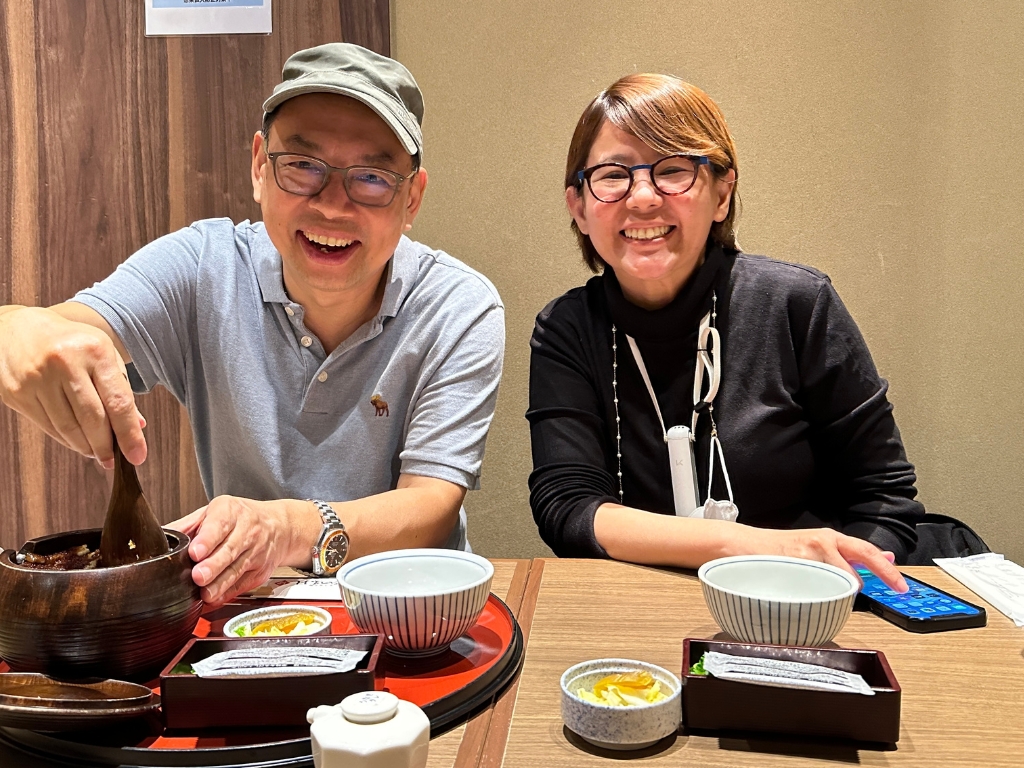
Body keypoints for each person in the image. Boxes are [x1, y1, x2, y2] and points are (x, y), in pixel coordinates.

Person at [0, 44, 504, 604]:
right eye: (303, 166)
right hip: (246, 611)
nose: (333, 206)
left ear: (412, 198)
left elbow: (430, 506)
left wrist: (286, 528)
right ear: (260, 166)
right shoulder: (203, 267)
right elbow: (63, 326)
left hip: (413, 610)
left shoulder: (457, 305)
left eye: (372, 177)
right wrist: (17, 332)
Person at [527, 73, 922, 591]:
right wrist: (764, 546)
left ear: (721, 193)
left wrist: (823, 592)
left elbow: (884, 499)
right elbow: (569, 508)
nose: (642, 198)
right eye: (612, 175)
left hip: (807, 602)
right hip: (642, 608)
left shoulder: (796, 303)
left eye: (673, 170)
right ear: (578, 207)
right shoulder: (567, 328)